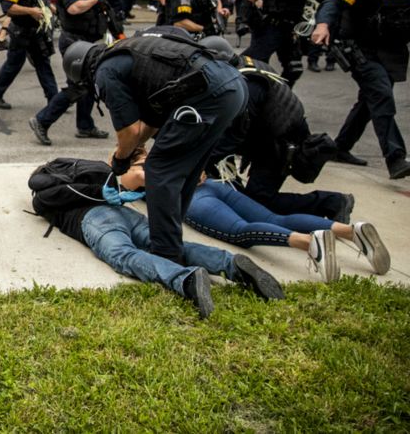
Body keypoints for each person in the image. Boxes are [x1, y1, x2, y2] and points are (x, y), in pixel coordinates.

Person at [63, 26, 248, 265]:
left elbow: (129, 131)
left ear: (82, 71)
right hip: (232, 86)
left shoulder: (105, 70)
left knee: (159, 170)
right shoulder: (130, 52)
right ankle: (171, 239)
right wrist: (131, 150)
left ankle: (166, 255)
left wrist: (121, 158)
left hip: (207, 93)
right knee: (185, 170)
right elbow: (149, 122)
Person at [31, 154, 284, 319]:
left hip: (94, 221)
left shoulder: (47, 194)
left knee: (125, 255)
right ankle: (230, 264)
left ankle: (184, 279)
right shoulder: (87, 172)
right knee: (168, 244)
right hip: (125, 212)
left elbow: (40, 203)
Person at [206, 50, 354, 222]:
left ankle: (333, 202)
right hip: (269, 137)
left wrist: (202, 165)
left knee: (258, 202)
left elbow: (234, 135)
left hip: (281, 143)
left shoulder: (248, 85)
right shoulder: (244, 67)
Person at [311, 0, 410, 180]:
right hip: (362, 50)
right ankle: (396, 157)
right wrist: (322, 25)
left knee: (369, 103)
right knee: (381, 96)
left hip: (393, 50)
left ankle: (340, 148)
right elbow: (334, 2)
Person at [185, 179, 389, 283]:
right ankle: (350, 232)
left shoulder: (153, 139)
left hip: (185, 194)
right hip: (211, 184)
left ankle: (309, 243)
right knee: (274, 218)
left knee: (239, 231)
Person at [30, 0, 121, 144]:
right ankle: (41, 120)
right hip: (74, 41)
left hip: (86, 41)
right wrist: (96, 0)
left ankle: (85, 125)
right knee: (77, 86)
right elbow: (73, 8)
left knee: (88, 84)